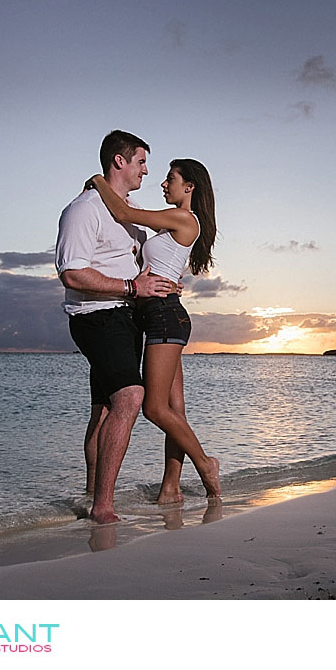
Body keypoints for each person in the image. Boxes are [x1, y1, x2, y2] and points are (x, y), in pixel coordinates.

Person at [55, 130, 174, 524]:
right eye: (141, 161)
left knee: (105, 408)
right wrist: (131, 288)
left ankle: (92, 492)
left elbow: (135, 266)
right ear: (119, 161)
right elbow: (72, 274)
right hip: (96, 316)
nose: (146, 171)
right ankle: (103, 507)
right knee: (130, 396)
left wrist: (159, 284)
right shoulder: (84, 209)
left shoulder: (128, 210)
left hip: (125, 316)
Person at [87, 158, 221, 504]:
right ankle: (170, 488)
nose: (163, 184)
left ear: (189, 186)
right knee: (174, 408)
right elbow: (161, 264)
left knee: (154, 409)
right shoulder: (172, 225)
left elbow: (123, 213)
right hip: (160, 315)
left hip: (164, 318)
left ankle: (205, 463)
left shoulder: (183, 218)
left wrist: (99, 180)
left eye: (170, 178)